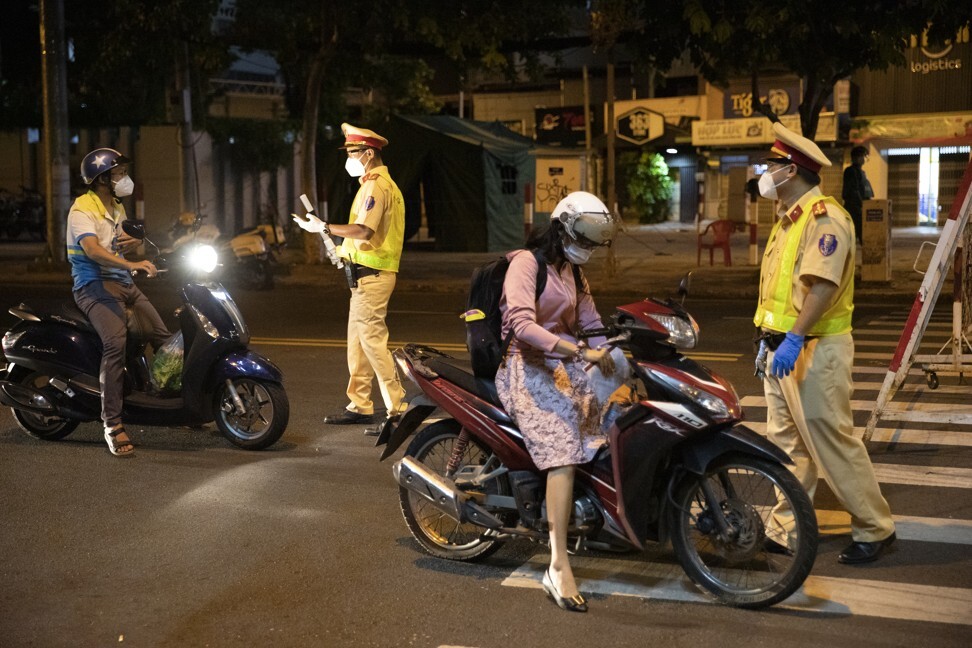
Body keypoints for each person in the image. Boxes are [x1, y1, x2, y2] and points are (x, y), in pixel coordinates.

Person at [754, 123, 895, 564]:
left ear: (791, 169)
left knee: (831, 442)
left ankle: (875, 527)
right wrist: (769, 338)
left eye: (771, 165)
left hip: (815, 350)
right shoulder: (787, 218)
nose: (765, 172)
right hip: (783, 349)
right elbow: (781, 293)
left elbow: (822, 287)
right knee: (786, 444)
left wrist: (793, 338)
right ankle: (785, 526)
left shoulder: (826, 218)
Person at [495, 191, 622, 612]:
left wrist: (615, 362)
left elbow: (591, 323)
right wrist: (579, 353)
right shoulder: (526, 264)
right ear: (561, 226)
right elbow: (520, 324)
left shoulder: (572, 271)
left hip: (563, 365)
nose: (586, 247)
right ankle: (557, 563)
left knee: (616, 414)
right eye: (581, 237)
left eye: (592, 241)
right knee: (564, 448)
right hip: (526, 367)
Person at [294, 123, 406, 429]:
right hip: (364, 275)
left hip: (373, 276)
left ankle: (398, 409)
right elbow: (364, 238)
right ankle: (360, 404)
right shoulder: (376, 184)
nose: (349, 158)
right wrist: (342, 251)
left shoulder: (376, 187)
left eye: (353, 152)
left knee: (372, 343)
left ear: (368, 154)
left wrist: (325, 227)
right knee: (357, 344)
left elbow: (364, 230)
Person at [68, 148, 170, 457]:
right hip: (93, 286)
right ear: (101, 179)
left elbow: (121, 245)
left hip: (123, 284)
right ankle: (112, 423)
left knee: (164, 338)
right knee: (116, 343)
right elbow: (94, 251)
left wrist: (140, 250)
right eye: (118, 173)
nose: (124, 178)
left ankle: (171, 399)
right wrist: (133, 266)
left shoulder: (116, 207)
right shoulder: (81, 210)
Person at [841, 145, 874, 244]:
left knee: (860, 231)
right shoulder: (850, 171)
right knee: (855, 231)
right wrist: (862, 204)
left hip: (860, 207)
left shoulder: (861, 172)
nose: (864, 159)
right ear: (857, 157)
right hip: (853, 207)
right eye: (864, 156)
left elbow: (864, 189)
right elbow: (854, 189)